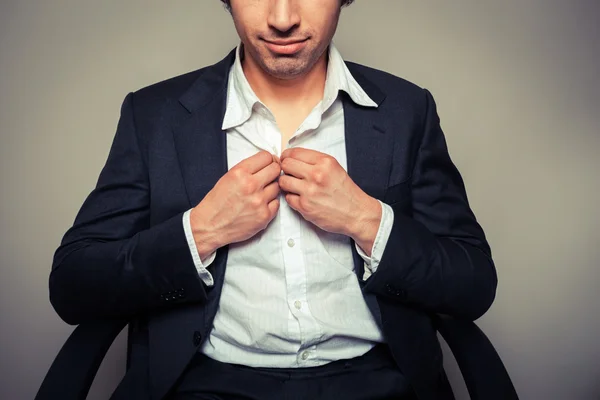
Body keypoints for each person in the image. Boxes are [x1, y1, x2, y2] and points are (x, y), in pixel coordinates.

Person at [49, 0, 497, 399]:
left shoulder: (407, 110)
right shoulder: (154, 117)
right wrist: (200, 232)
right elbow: (73, 284)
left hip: (378, 379)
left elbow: (473, 282)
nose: (283, 18)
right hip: (208, 382)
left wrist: (367, 221)